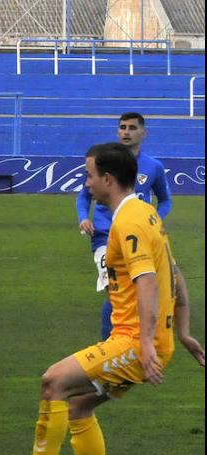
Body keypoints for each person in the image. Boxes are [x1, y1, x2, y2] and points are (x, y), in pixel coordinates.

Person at [0, 143, 204, 455]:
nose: (86, 183)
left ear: (108, 178)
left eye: (89, 175)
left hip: (135, 343)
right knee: (78, 406)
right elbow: (175, 275)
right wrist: (182, 333)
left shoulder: (128, 221)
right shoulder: (147, 213)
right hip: (148, 341)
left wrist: (146, 344)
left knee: (53, 382)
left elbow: (148, 281)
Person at [75, 112, 172, 339]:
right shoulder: (104, 162)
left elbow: (165, 200)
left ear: (143, 133)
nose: (126, 132)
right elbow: (84, 195)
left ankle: (137, 336)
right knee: (115, 289)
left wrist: (154, 219)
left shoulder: (153, 167)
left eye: (132, 128)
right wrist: (84, 217)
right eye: (122, 127)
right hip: (104, 236)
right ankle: (110, 340)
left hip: (139, 234)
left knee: (141, 285)